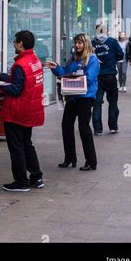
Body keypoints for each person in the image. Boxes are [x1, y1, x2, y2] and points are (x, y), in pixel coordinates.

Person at [0, 30, 44, 192]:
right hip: (30, 110)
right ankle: (37, 177)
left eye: (15, 41)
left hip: (17, 112)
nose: (13, 44)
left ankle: (21, 182)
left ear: (20, 44)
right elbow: (19, 79)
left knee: (16, 147)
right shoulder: (34, 60)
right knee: (27, 144)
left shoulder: (20, 64)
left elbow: (16, 89)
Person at [45, 34, 100, 171]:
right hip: (72, 96)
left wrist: (72, 77)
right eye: (76, 43)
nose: (77, 45)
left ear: (86, 44)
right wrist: (55, 67)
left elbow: (89, 78)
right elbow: (64, 71)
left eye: (80, 43)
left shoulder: (92, 59)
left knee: (83, 127)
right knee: (66, 125)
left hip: (85, 97)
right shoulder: (73, 59)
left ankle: (91, 161)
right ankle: (70, 158)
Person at [91, 21, 124, 135]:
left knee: (97, 102)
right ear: (105, 31)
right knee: (113, 101)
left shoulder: (92, 43)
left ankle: (97, 129)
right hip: (110, 75)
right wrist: (112, 58)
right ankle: (113, 126)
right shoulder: (112, 42)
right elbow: (121, 55)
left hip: (97, 76)